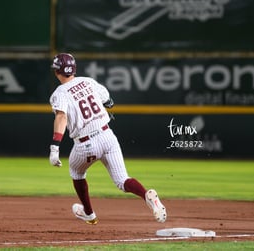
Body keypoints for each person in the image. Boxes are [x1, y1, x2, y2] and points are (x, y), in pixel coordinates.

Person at [48, 53, 167, 224]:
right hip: (107, 136)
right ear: (74, 69)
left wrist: (54, 147)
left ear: (57, 72)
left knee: (77, 172)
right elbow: (108, 101)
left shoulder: (60, 93)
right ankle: (147, 195)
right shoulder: (88, 82)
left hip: (85, 144)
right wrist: (106, 104)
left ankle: (89, 213)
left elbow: (61, 117)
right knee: (122, 180)